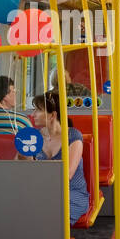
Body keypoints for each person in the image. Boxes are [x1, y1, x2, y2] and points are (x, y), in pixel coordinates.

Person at [29, 89, 89, 224]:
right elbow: (22, 169)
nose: (33, 115)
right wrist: (23, 155)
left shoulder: (73, 136)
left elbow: (67, 175)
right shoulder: (34, 137)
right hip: (44, 192)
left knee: (47, 211)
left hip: (70, 193)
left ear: (52, 115)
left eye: (38, 110)